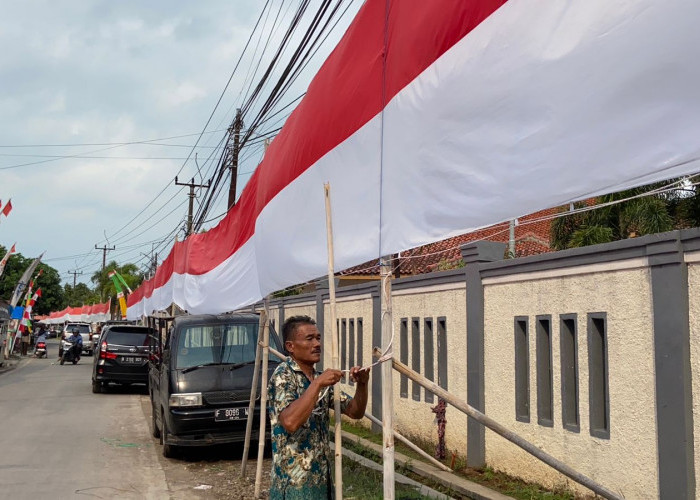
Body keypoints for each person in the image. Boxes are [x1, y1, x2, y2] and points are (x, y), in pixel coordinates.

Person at [268, 315, 369, 500]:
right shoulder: (283, 376)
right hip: (293, 485)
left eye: (318, 338)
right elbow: (290, 422)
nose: (317, 344)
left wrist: (362, 385)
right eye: (309, 339)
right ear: (290, 346)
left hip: (321, 481)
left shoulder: (319, 379)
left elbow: (355, 411)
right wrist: (317, 385)